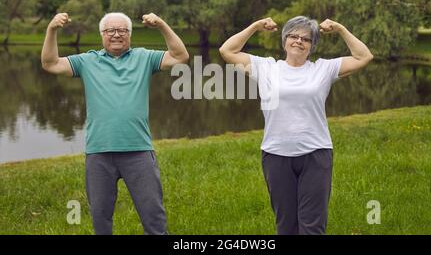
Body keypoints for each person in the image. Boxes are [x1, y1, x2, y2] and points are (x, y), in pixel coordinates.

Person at [219, 16, 373, 235]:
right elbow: (227, 51)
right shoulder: (265, 67)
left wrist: (340, 28)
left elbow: (364, 56)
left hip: (316, 155)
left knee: (312, 226)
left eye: (306, 39)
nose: (299, 41)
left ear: (312, 46)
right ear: (284, 41)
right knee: (286, 225)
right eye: (293, 36)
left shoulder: (323, 69)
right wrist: (255, 26)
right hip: (276, 154)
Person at [41, 12, 189, 235]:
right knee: (101, 219)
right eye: (110, 30)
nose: (116, 35)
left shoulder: (144, 57)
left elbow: (180, 56)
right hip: (99, 152)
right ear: (102, 35)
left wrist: (161, 24)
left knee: (154, 218)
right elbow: (50, 63)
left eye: (122, 30)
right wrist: (52, 29)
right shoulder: (87, 61)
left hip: (138, 150)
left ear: (130, 35)